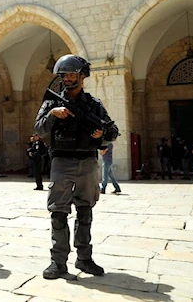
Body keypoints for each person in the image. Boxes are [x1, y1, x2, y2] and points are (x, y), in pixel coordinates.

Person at [35, 54, 118, 279]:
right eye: (64, 75)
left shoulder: (94, 105)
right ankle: (58, 262)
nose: (68, 79)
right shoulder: (52, 102)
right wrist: (53, 114)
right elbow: (40, 130)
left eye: (72, 74)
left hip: (88, 161)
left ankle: (84, 258)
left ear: (82, 76)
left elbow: (113, 131)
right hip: (62, 161)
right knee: (58, 212)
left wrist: (102, 134)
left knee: (85, 211)